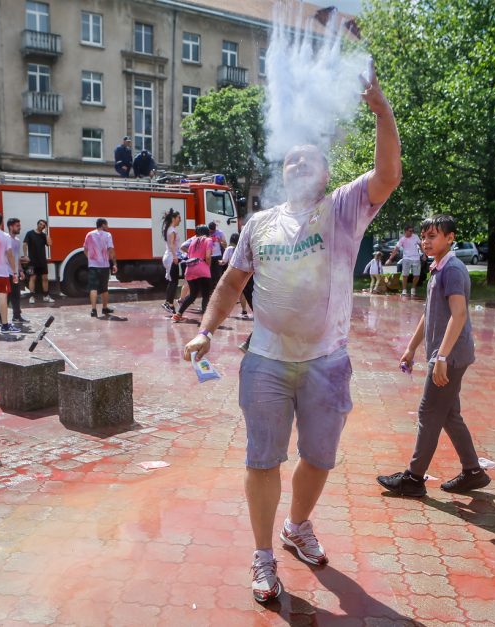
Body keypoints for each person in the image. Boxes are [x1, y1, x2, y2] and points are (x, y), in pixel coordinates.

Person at [182, 62, 400, 604]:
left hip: (328, 361)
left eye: (309, 157)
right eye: (290, 159)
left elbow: (388, 176)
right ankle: (262, 556)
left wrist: (381, 111)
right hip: (267, 361)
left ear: (326, 173)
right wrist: (206, 330)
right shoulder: (260, 223)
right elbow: (233, 281)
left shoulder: (345, 209)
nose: (298, 162)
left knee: (320, 458)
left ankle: (297, 527)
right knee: (262, 460)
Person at [377, 215, 490, 497]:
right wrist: (411, 347)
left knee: (429, 413)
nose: (426, 242)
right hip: (447, 354)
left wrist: (440, 358)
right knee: (449, 414)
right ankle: (473, 472)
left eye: (433, 237)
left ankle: (413, 479)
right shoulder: (437, 268)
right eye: (424, 237)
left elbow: (459, 314)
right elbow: (430, 313)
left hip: (449, 356)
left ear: (450, 238)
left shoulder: (452, 269)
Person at [172, 225, 213, 322]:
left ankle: (178, 315)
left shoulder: (193, 241)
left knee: (192, 295)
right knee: (206, 295)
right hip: (202, 269)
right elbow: (208, 256)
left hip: (190, 269)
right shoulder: (208, 240)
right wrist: (208, 266)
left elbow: (189, 254)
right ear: (207, 232)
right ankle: (205, 318)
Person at [84, 218, 117, 317]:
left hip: (93, 265)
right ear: (103, 225)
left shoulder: (89, 234)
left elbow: (85, 250)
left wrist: (90, 259)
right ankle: (104, 308)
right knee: (104, 288)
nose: (108, 227)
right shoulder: (108, 235)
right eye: (106, 225)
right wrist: (114, 263)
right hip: (104, 266)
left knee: (93, 288)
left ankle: (93, 310)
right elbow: (111, 250)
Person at [0, 218, 28, 325]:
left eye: (19, 225)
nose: (19, 227)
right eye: (17, 226)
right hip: (6, 273)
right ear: (11, 227)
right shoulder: (5, 239)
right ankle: (0, 317)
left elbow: (16, 258)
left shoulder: (17, 240)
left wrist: (20, 270)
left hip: (14, 272)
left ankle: (17, 316)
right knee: (5, 296)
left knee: (16, 295)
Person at [24, 219, 54, 304]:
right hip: (32, 261)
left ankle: (46, 296)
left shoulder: (44, 235)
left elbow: (50, 244)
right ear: (37, 224)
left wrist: (47, 233)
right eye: (40, 224)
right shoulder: (30, 233)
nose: (41, 226)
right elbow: (25, 244)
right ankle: (31, 297)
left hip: (42, 261)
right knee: (32, 278)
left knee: (45, 278)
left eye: (43, 225)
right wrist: (26, 256)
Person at [221, 232, 251, 319]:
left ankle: (226, 311)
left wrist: (219, 262)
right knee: (242, 293)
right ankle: (244, 310)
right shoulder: (242, 248)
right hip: (242, 272)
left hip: (232, 272)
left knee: (230, 293)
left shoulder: (229, 249)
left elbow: (224, 261)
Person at [389, 225, 422, 296]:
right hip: (406, 258)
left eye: (412, 231)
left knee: (417, 275)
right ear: (406, 231)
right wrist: (390, 259)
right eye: (410, 231)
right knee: (405, 275)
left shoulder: (415, 236)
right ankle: (404, 290)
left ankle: (413, 288)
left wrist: (424, 254)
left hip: (416, 258)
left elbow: (421, 245)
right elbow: (396, 249)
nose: (411, 232)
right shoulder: (402, 239)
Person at [161, 209, 182, 314]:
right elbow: (172, 244)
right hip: (171, 256)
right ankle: (169, 304)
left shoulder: (168, 228)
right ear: (174, 218)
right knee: (174, 281)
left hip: (168, 256)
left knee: (172, 281)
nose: (180, 220)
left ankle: (168, 303)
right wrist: (175, 256)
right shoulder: (172, 230)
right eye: (179, 217)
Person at [208, 222, 227, 287]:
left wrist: (220, 241)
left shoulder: (220, 233)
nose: (212, 232)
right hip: (209, 256)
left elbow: (225, 244)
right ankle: (210, 289)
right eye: (210, 230)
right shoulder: (206, 232)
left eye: (213, 231)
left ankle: (218, 288)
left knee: (218, 273)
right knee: (209, 273)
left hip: (218, 255)